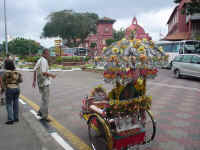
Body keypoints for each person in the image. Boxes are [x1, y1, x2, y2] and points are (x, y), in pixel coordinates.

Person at [32, 49, 56, 122]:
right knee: (46, 100)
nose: (49, 56)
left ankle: (40, 112)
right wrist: (52, 75)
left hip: (40, 83)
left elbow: (35, 70)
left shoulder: (39, 60)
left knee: (43, 99)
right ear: (45, 54)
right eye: (48, 54)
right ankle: (44, 116)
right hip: (45, 83)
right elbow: (44, 72)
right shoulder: (44, 61)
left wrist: (34, 81)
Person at [1, 60, 23, 125]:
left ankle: (10, 119)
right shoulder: (17, 72)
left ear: (6, 65)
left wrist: (4, 88)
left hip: (9, 88)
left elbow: (2, 81)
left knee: (9, 104)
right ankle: (16, 118)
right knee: (16, 103)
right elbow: (21, 80)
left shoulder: (6, 73)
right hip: (17, 88)